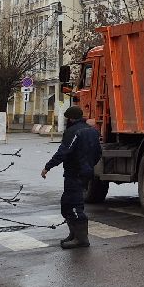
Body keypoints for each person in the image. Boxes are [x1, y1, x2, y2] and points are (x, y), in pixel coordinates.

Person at [40, 105, 102, 249]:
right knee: (68, 203)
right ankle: (74, 234)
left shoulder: (73, 132)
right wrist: (89, 165)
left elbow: (63, 152)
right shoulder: (92, 131)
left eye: (67, 117)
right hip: (85, 172)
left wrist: (47, 167)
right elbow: (98, 152)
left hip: (74, 173)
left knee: (73, 205)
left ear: (71, 118)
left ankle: (81, 239)